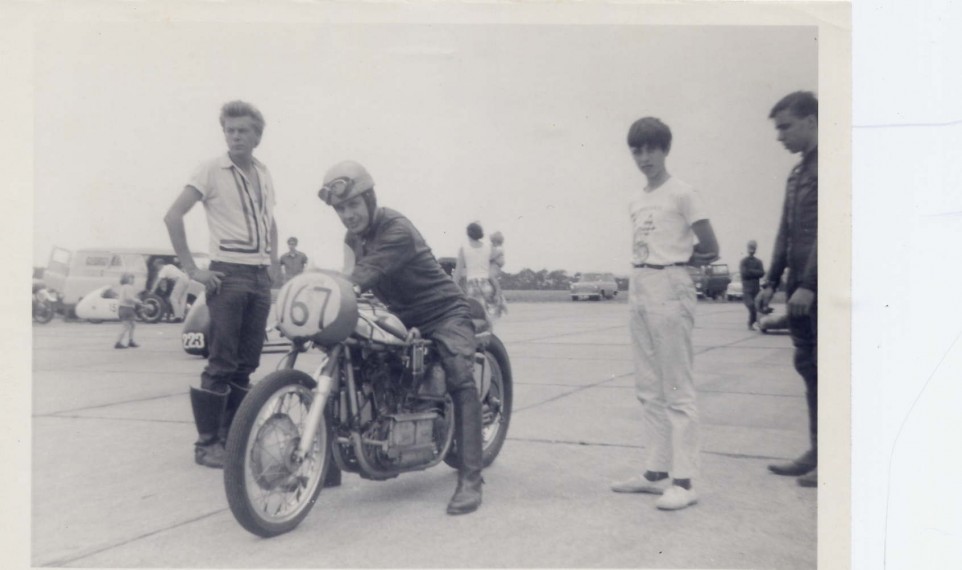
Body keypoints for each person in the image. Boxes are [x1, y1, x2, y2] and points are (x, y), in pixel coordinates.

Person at [318, 160, 485, 515]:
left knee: (460, 376)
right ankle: (329, 463)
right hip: (402, 316)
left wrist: (332, 285)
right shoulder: (353, 238)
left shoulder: (396, 228)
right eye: (340, 209)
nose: (348, 215)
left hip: (443, 311)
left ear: (370, 199)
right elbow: (352, 273)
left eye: (353, 204)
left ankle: (471, 479)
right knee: (350, 357)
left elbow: (364, 274)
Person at [162, 100, 281, 469]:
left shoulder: (263, 172)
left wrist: (273, 262)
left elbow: (270, 221)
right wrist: (191, 269)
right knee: (222, 362)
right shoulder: (211, 169)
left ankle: (231, 438)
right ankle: (207, 444)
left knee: (247, 362)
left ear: (257, 136)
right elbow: (173, 215)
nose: (235, 136)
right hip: (227, 275)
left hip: (259, 277)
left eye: (243, 130)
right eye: (230, 130)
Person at [610, 117, 719, 511]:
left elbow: (711, 247)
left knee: (676, 388)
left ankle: (685, 482)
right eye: (637, 151)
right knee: (648, 387)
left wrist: (677, 262)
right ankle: (655, 473)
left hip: (670, 285)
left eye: (651, 149)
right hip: (640, 285)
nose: (644, 158)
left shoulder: (683, 193)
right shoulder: (636, 201)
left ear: (665, 149)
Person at [755, 91, 819, 488]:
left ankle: (837, 458)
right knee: (809, 367)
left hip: (820, 289)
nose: (780, 136)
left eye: (786, 127)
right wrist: (770, 283)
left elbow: (834, 228)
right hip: (797, 289)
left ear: (811, 121)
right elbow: (785, 232)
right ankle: (819, 451)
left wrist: (811, 284)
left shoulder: (834, 166)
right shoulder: (797, 174)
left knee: (830, 371)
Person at [453, 222, 503, 323]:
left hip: (472, 286)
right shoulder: (488, 247)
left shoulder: (464, 249)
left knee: (475, 317)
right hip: (486, 284)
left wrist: (452, 287)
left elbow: (458, 272)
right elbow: (499, 256)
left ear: (468, 234)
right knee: (489, 317)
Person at [739, 240, 766, 329]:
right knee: (751, 306)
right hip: (747, 289)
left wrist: (750, 272)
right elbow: (744, 274)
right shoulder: (744, 261)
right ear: (747, 249)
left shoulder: (759, 261)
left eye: (753, 248)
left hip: (756, 289)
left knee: (758, 306)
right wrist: (755, 273)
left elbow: (762, 273)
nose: (752, 250)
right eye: (750, 248)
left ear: (755, 249)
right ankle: (751, 323)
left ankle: (754, 323)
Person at [114, 273, 143, 349]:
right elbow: (128, 298)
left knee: (132, 324)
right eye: (131, 278)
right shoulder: (128, 287)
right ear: (126, 279)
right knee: (126, 326)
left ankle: (130, 340)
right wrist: (137, 301)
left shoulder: (123, 287)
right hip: (127, 308)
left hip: (123, 308)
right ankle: (118, 342)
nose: (133, 280)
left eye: (133, 278)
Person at [489, 231, 508, 316]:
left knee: (491, 277)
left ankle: (498, 292)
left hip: (495, 266)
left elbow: (491, 257)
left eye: (493, 241)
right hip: (492, 265)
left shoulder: (499, 249)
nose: (492, 243)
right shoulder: (494, 248)